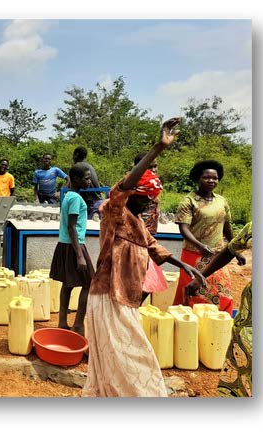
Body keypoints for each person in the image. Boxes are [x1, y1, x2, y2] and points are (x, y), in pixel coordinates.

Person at [82, 118, 206, 397]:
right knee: (129, 355)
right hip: (108, 294)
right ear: (133, 196)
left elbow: (154, 248)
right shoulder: (114, 212)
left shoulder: (136, 222)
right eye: (144, 199)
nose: (148, 204)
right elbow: (124, 186)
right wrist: (158, 148)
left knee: (124, 355)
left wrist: (186, 265)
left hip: (126, 295)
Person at [184, 221, 251, 397]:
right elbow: (230, 249)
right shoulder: (253, 227)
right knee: (243, 353)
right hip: (251, 307)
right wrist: (200, 278)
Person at [173, 160, 239, 314]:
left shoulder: (222, 201)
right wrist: (199, 245)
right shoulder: (188, 201)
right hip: (193, 256)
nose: (211, 181)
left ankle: (219, 330)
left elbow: (226, 227)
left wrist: (236, 249)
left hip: (217, 256)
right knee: (194, 294)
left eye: (214, 178)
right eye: (206, 177)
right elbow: (183, 228)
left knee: (223, 295)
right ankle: (189, 332)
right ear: (197, 179)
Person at [49, 164, 94, 336]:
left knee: (67, 284)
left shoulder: (68, 196)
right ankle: (78, 325)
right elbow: (72, 227)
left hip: (65, 244)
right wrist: (80, 255)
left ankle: (62, 322)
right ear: (76, 179)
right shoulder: (75, 198)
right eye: (86, 178)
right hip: (74, 245)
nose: (89, 181)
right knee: (90, 283)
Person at [134, 153, 168, 304]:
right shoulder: (134, 185)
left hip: (149, 237)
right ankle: (132, 307)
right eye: (150, 166)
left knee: (148, 280)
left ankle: (134, 307)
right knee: (145, 279)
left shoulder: (153, 184)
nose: (154, 169)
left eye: (155, 166)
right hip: (136, 238)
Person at [72, 146, 103, 218]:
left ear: (76, 155)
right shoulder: (89, 166)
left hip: (91, 203)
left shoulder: (78, 167)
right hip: (98, 201)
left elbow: (73, 185)